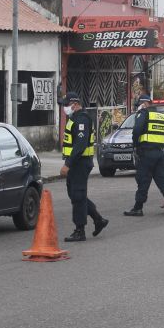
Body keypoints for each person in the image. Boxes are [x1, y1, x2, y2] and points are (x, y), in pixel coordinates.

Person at [59, 92, 108, 242]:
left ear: (74, 104)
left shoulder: (82, 119)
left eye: (66, 105)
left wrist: (67, 164)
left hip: (80, 163)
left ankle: (80, 230)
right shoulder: (74, 118)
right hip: (75, 163)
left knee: (78, 195)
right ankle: (98, 219)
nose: (64, 108)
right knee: (75, 195)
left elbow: (80, 145)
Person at [124, 94, 164, 217]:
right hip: (160, 153)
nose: (138, 107)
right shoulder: (162, 116)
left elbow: (137, 129)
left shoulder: (143, 113)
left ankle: (138, 208)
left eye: (139, 104)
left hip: (146, 153)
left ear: (143, 103)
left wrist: (135, 144)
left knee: (143, 180)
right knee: (163, 181)